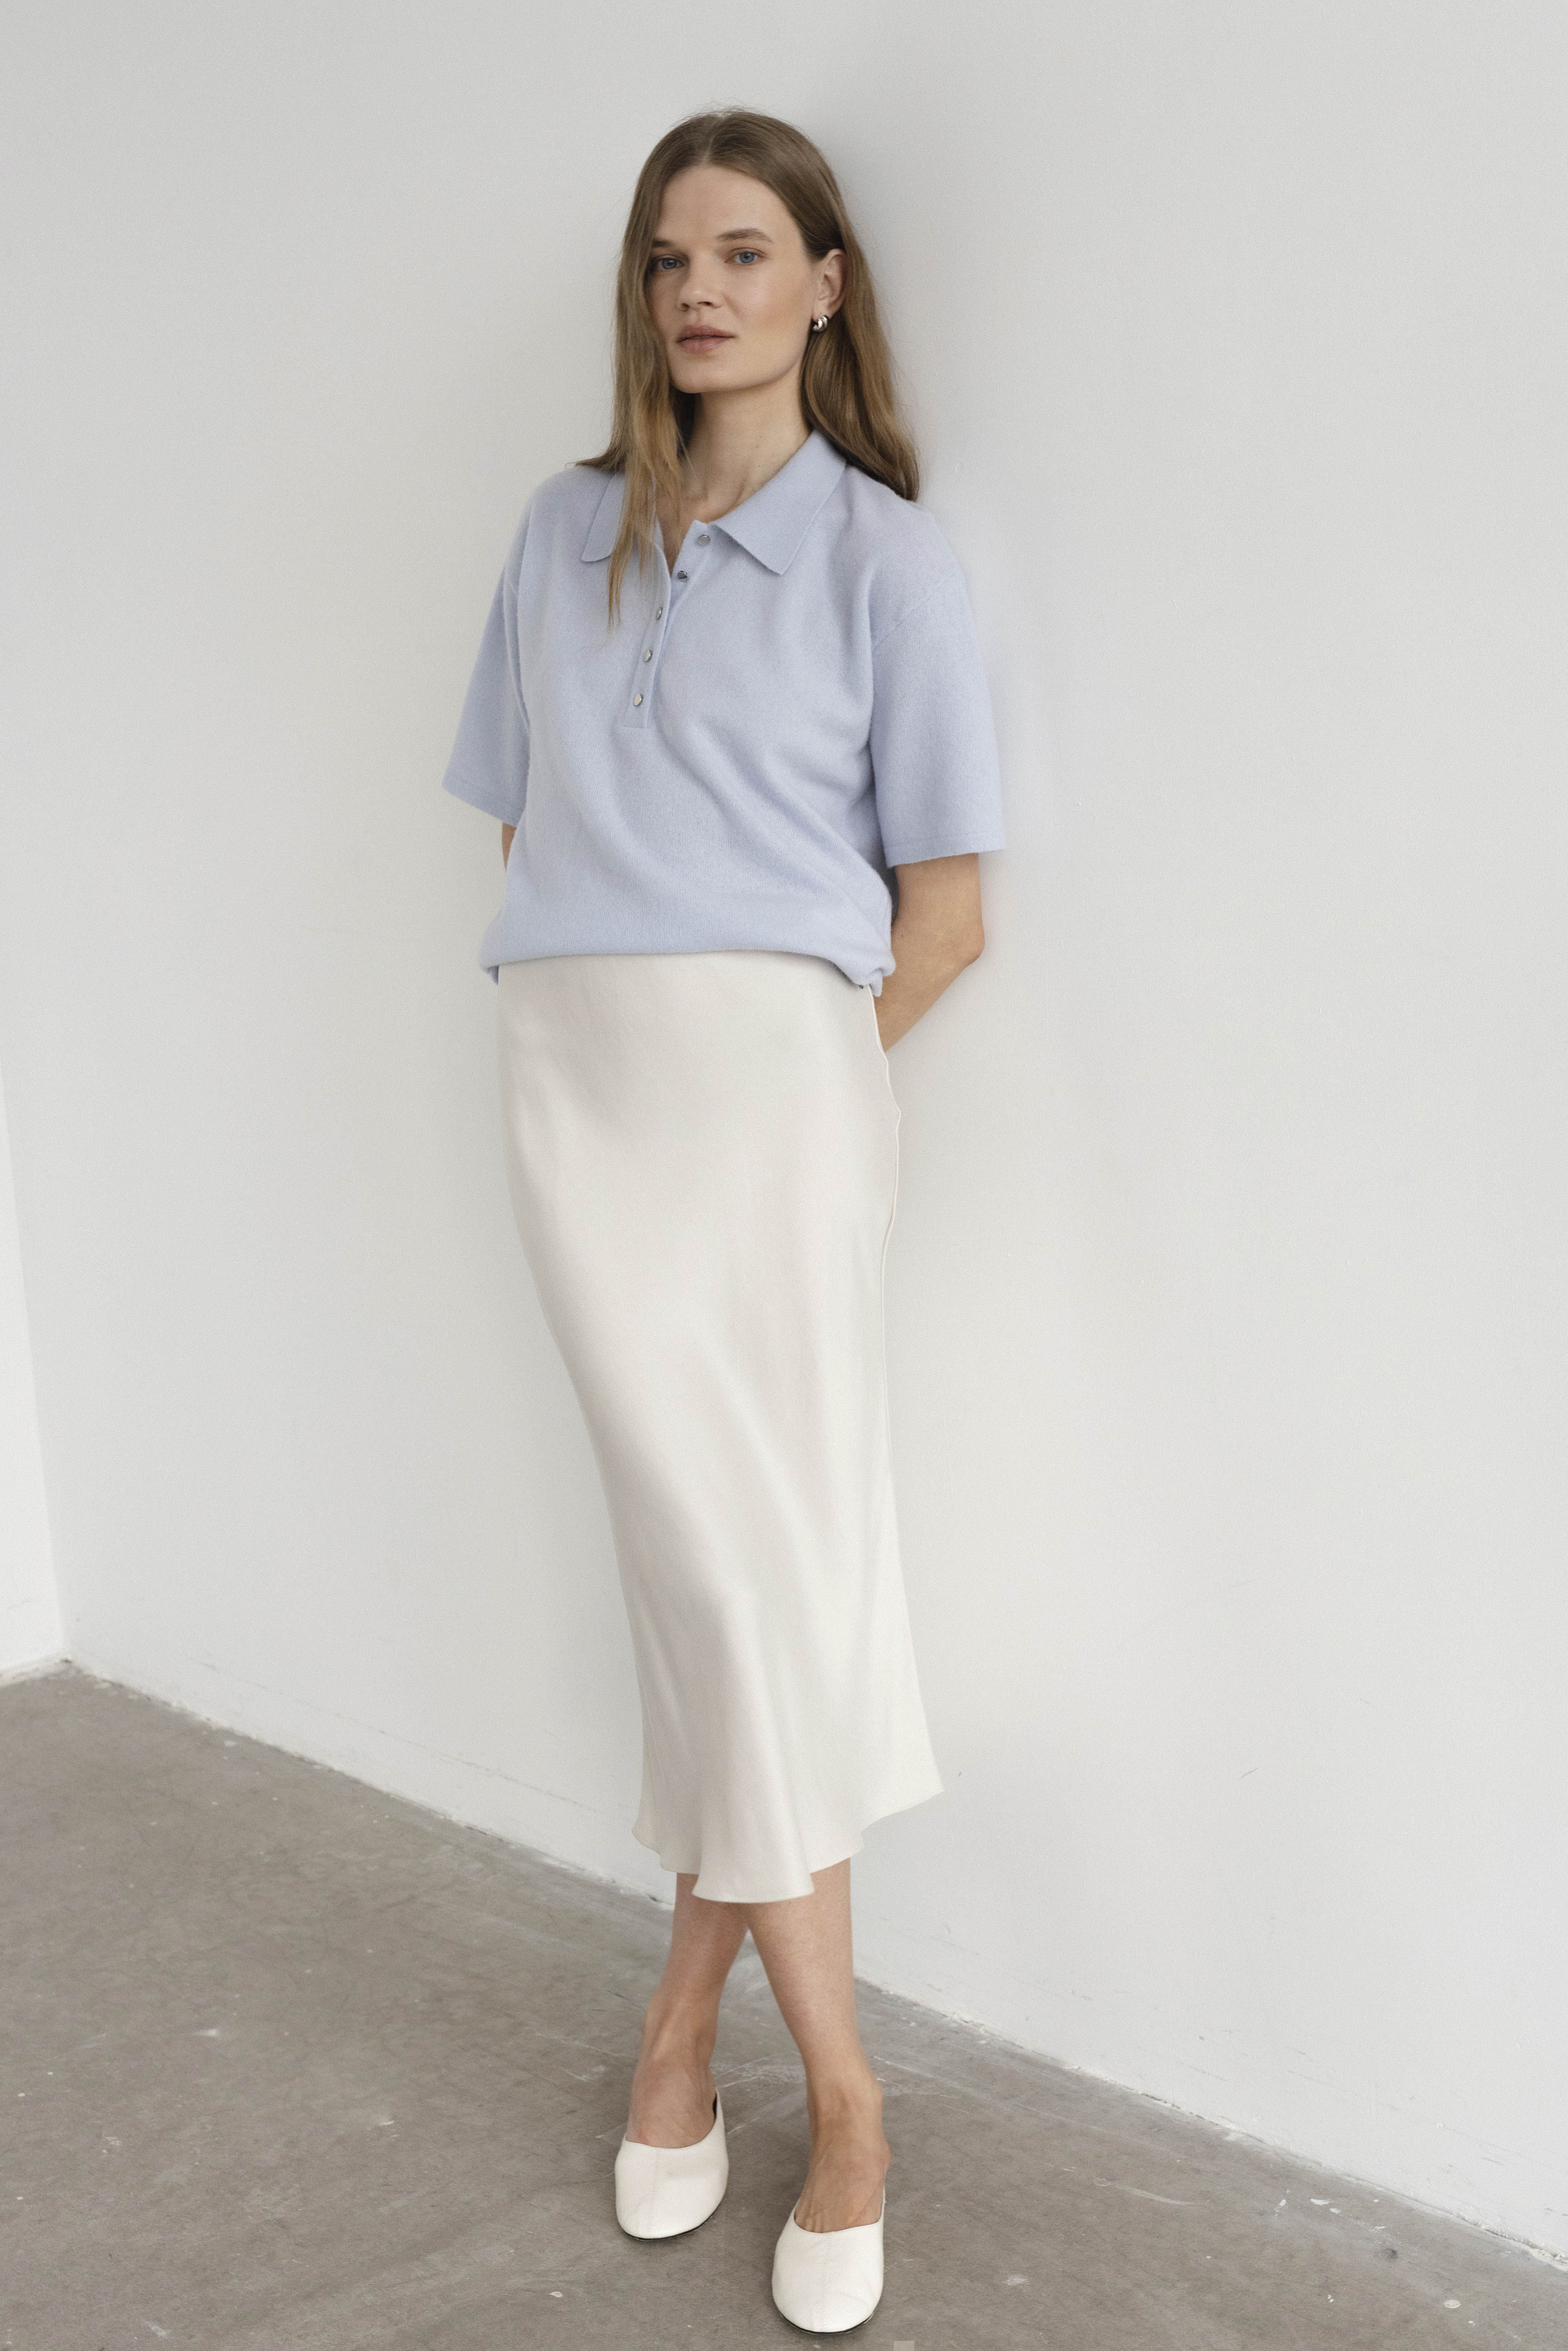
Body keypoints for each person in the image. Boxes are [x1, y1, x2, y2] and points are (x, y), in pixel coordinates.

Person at [441, 106, 1005, 2335]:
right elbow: (525, 833)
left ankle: (795, 2083)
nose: (700, 289)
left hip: (779, 1098)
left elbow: (946, 921)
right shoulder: (555, 530)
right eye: (671, 255)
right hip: (579, 1084)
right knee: (728, 1580)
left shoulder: (890, 564)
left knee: (737, 1585)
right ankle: (764, 2058)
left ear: (823, 285)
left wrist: (796, 1068)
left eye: (746, 251)